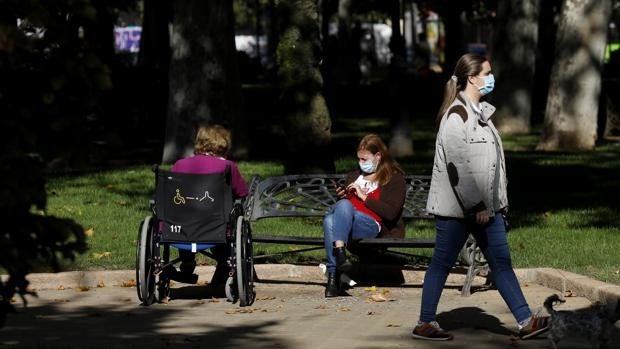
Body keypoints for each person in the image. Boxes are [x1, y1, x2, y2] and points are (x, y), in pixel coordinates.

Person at [411, 53, 549, 341]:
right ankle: (425, 322)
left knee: (501, 263)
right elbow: (457, 168)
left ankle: (525, 321)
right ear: (472, 78)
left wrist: (497, 205)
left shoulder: (482, 114)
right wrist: (476, 205)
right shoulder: (455, 117)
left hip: (488, 209)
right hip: (458, 211)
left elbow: (489, 167)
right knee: (442, 263)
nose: (491, 77)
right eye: (487, 72)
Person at [323, 134, 406, 297]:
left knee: (333, 218)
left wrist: (363, 197)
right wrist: (342, 196)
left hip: (372, 225)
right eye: (359, 159)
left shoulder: (394, 178)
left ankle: (335, 273)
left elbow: (391, 212)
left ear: (378, 156)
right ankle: (334, 278)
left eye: (365, 159)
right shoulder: (354, 176)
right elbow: (344, 209)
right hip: (347, 224)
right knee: (330, 219)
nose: (361, 163)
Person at [171, 124, 249, 284]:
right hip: (216, 227)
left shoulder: (179, 165)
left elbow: (172, 196)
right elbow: (242, 194)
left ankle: (187, 261)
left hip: (181, 229)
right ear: (224, 144)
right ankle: (224, 261)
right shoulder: (228, 167)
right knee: (225, 217)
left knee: (185, 213)